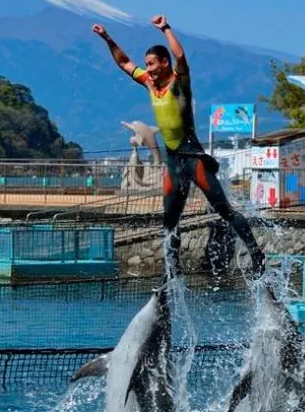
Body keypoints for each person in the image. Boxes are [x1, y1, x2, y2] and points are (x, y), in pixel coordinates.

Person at [94, 15, 265, 278]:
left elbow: (182, 56)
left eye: (152, 64)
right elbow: (124, 63)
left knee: (224, 210)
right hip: (173, 161)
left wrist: (166, 29)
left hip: (193, 157)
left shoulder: (178, 82)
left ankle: (257, 255)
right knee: (169, 222)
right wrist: (107, 38)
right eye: (147, 65)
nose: (148, 69)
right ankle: (172, 272)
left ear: (164, 63)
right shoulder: (150, 84)